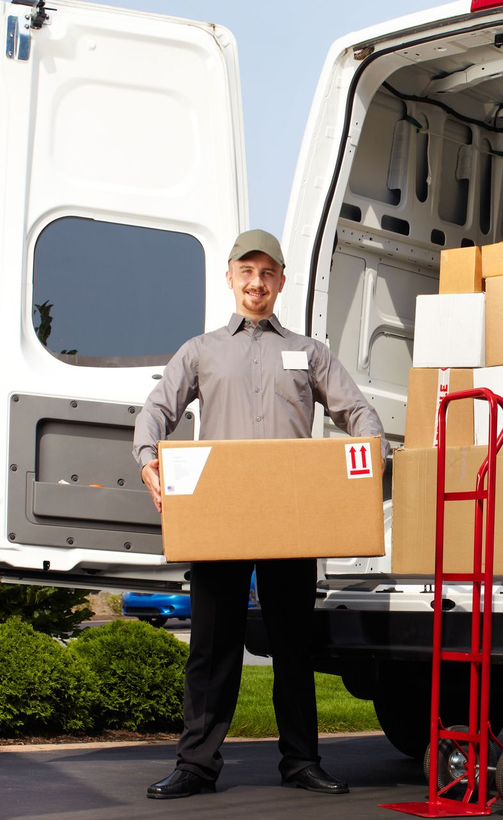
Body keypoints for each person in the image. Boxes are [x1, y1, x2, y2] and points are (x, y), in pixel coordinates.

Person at [134, 229, 388, 799]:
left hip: (292, 522)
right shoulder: (200, 351)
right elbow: (157, 409)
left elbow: (358, 413)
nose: (257, 283)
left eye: (267, 273)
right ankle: (196, 765)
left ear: (280, 281)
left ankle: (301, 762)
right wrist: (149, 461)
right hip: (219, 521)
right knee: (212, 648)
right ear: (230, 278)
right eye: (246, 271)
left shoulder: (309, 351)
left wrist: (369, 458)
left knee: (293, 648)